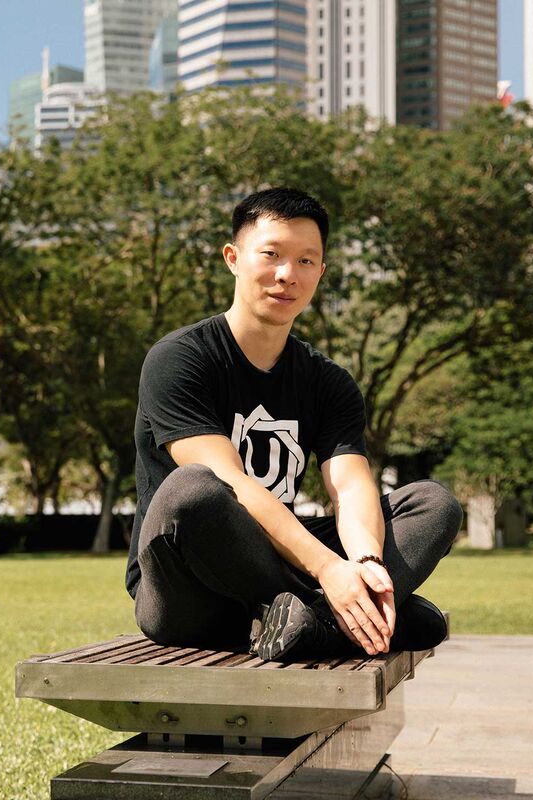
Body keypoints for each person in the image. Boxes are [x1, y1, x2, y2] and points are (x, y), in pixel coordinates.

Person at [127, 187, 462, 662]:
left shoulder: (327, 381)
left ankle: (314, 623)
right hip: (189, 587)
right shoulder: (179, 359)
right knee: (192, 491)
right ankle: (345, 617)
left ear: (321, 272)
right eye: (272, 255)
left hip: (278, 567)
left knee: (432, 503)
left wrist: (365, 562)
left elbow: (349, 486)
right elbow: (231, 482)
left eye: (306, 261)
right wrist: (327, 568)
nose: (288, 274)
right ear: (233, 258)